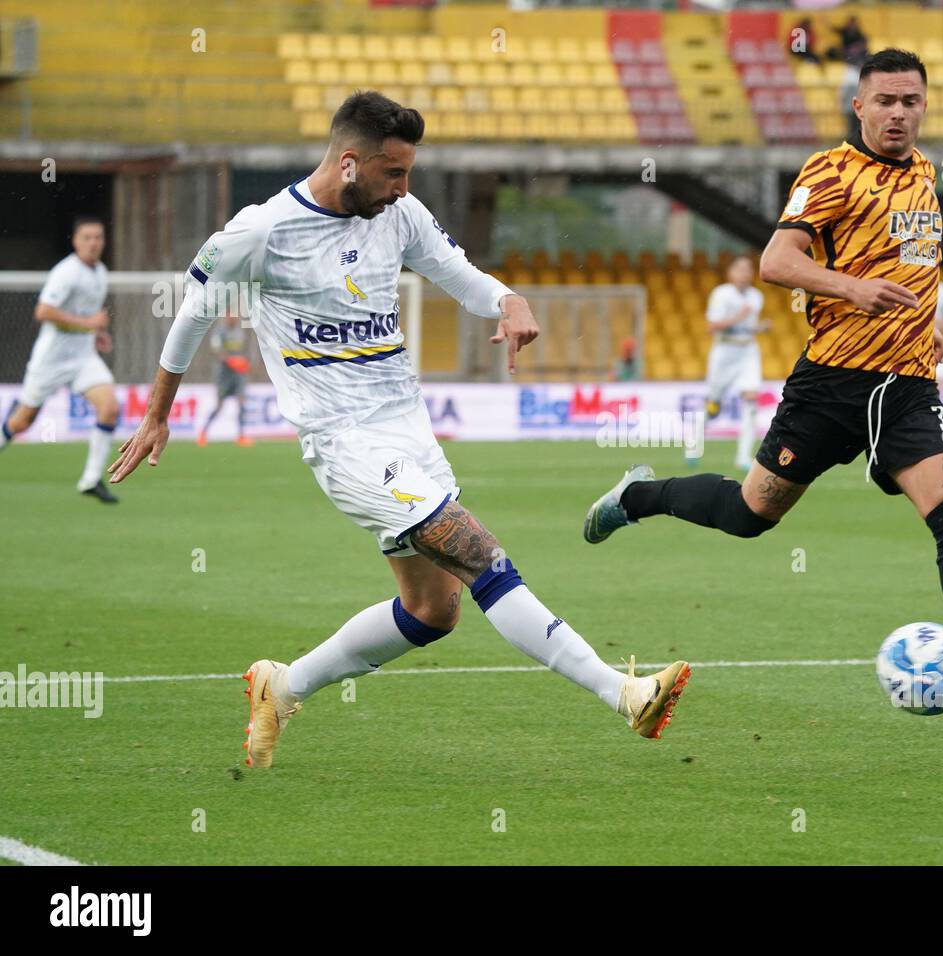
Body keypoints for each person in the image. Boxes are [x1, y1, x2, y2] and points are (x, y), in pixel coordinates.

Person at [108, 92, 690, 768]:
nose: (404, 188)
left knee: (433, 609)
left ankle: (283, 686)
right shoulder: (261, 232)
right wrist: (157, 413)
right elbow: (193, 314)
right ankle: (623, 693)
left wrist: (507, 298)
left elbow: (460, 277)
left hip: (408, 431)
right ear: (349, 163)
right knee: (479, 554)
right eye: (393, 173)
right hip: (345, 442)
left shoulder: (401, 215)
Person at [583, 50, 943, 712]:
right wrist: (850, 288)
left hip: (908, 387)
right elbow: (777, 261)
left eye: (911, 102)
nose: (899, 113)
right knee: (751, 514)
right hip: (831, 385)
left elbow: (913, 268)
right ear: (859, 106)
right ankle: (638, 496)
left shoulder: (926, 174)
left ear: (924, 106)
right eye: (886, 101)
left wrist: (925, 329)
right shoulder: (831, 171)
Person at [0, 216, 120, 503]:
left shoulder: (101, 272)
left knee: (110, 408)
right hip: (51, 360)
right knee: (22, 422)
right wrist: (88, 323)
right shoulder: (66, 272)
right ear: (76, 241)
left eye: (98, 237)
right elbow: (43, 312)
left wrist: (97, 333)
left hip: (82, 358)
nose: (94, 243)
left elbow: (88, 315)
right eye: (87, 237)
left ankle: (91, 480)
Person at [689, 256, 767, 471]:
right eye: (740, 269)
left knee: (751, 399)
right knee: (714, 404)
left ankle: (743, 457)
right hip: (724, 351)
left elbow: (747, 326)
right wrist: (738, 316)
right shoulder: (721, 294)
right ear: (731, 273)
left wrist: (759, 328)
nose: (744, 273)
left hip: (748, 350)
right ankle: (694, 444)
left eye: (748, 269)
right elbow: (712, 326)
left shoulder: (756, 296)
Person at [198, 311, 254, 446]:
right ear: (226, 317)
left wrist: (245, 362)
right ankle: (203, 432)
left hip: (239, 374)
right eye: (230, 316)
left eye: (235, 316)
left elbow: (245, 350)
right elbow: (217, 351)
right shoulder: (219, 332)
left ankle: (241, 435)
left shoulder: (240, 332)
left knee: (241, 403)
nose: (233, 318)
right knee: (219, 406)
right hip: (224, 374)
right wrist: (231, 361)